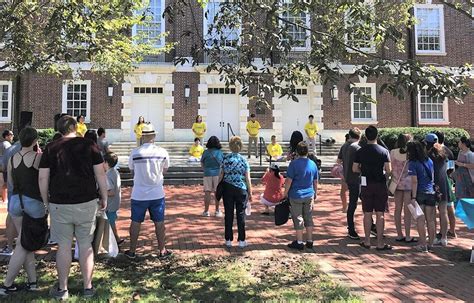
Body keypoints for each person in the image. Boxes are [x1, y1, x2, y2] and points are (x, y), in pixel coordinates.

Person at [39, 115, 107, 300]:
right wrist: (104, 195)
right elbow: (100, 174)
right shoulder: (89, 145)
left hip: (60, 203)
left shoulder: (51, 148)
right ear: (76, 127)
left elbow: (43, 177)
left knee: (63, 247)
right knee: (85, 246)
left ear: (59, 130)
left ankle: (62, 289)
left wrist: (46, 201)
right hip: (86, 201)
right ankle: (87, 287)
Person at [0, 127, 45, 296]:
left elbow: (11, 182)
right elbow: (42, 180)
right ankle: (7, 284)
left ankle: (32, 282)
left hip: (15, 203)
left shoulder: (12, 159)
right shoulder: (37, 158)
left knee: (25, 242)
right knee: (23, 244)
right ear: (35, 141)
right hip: (32, 202)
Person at [126, 123, 172, 259]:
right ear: (154, 136)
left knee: (135, 222)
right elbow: (165, 169)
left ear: (142, 136)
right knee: (159, 222)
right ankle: (162, 250)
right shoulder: (162, 152)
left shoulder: (135, 152)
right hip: (157, 192)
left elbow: (131, 170)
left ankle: (132, 251)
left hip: (139, 193)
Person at [353, 126, 392, 250]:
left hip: (366, 183)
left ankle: (367, 241)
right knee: (380, 213)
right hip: (380, 183)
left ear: (366, 136)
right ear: (377, 135)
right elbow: (389, 170)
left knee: (367, 213)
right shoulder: (384, 151)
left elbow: (354, 168)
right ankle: (380, 243)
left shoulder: (360, 151)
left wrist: (363, 169)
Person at [284, 142, 318, 250]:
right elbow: (315, 181)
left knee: (298, 217)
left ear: (297, 152)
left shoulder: (293, 164)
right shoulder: (313, 164)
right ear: (307, 151)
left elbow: (289, 181)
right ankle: (309, 240)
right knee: (308, 217)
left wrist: (285, 193)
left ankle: (299, 241)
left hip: (296, 194)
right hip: (309, 194)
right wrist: (315, 193)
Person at [220, 136, 253, 248]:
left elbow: (221, 174)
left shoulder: (225, 159)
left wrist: (218, 188)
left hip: (227, 188)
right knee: (241, 214)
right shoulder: (244, 160)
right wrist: (250, 192)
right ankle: (241, 240)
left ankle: (228, 239)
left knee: (228, 214)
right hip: (241, 188)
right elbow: (248, 178)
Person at [407, 140, 436, 253]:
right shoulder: (429, 160)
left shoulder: (412, 163)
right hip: (430, 192)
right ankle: (431, 243)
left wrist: (413, 197)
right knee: (431, 220)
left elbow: (414, 181)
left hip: (419, 193)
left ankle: (423, 244)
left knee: (420, 219)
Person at [424, 133, 449, 246]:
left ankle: (433, 237)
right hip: (443, 184)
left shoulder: (427, 155)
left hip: (432, 185)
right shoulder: (444, 152)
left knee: (432, 213)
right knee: (443, 212)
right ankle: (444, 238)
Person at [337, 128, 362, 240]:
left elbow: (338, 161)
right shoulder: (357, 147)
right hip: (357, 178)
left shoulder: (344, 146)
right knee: (358, 204)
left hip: (348, 177)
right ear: (359, 136)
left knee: (352, 204)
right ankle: (352, 229)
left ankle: (351, 228)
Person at [390, 134, 415, 243]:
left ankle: (399, 234)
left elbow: (390, 168)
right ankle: (408, 235)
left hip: (396, 183)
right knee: (407, 211)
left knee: (397, 209)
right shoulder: (410, 155)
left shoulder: (392, 152)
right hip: (408, 184)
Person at [0, 141, 20, 256]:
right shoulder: (36, 152)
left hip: (14, 190)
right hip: (30, 191)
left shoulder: (10, 150)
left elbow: (3, 167)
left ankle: (10, 247)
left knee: (12, 217)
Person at [434, 131, 456, 238]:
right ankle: (451, 230)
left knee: (442, 209)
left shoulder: (434, 152)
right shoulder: (449, 152)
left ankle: (443, 232)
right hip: (448, 180)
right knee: (449, 207)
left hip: (441, 181)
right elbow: (452, 169)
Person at [200, 136, 224, 217]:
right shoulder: (220, 152)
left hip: (207, 173)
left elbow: (202, 162)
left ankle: (206, 211)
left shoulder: (205, 152)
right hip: (217, 174)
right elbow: (223, 163)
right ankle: (217, 210)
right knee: (217, 193)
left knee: (207, 192)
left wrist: (205, 169)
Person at [104, 152, 123, 245]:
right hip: (115, 202)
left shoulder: (107, 175)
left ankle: (114, 241)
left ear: (106, 163)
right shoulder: (115, 172)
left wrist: (100, 193)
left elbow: (111, 192)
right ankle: (117, 239)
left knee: (110, 223)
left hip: (110, 204)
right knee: (111, 222)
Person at [1, 130, 14, 203]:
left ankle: (5, 199)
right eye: (11, 134)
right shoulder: (6, 144)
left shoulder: (4, 144)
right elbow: (9, 155)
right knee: (6, 183)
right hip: (6, 166)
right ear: (6, 136)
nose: (13, 136)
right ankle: (5, 200)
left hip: (4, 165)